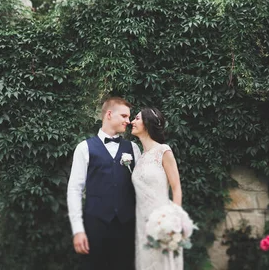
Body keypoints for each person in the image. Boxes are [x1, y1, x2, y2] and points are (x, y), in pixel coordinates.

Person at [67, 97, 142, 270]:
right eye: (124, 116)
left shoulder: (133, 148)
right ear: (109, 114)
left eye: (129, 117)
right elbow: (74, 190)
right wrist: (78, 229)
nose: (128, 121)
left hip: (126, 226)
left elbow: (141, 187)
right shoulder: (84, 148)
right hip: (95, 225)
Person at [131, 107, 183, 270]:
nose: (132, 122)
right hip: (141, 222)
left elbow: (176, 188)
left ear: (147, 123)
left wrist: (173, 222)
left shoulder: (163, 151)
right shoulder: (140, 157)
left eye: (137, 118)